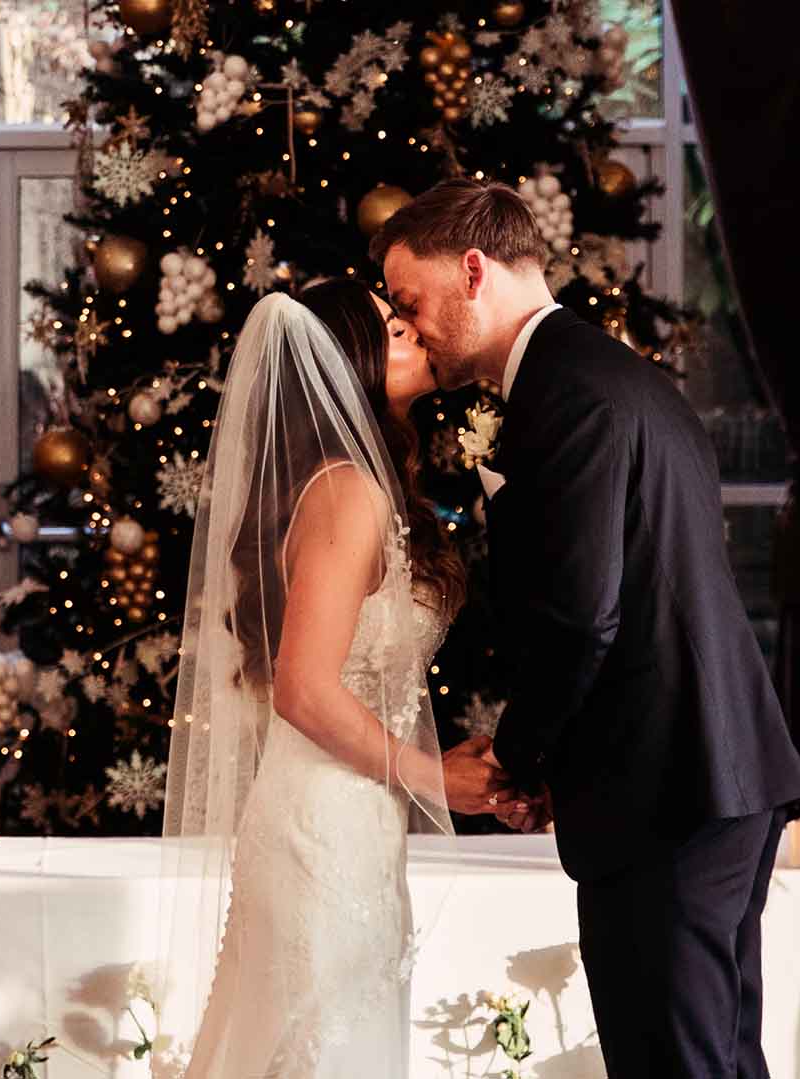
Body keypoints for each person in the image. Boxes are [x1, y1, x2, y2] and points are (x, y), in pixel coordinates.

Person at [374, 179, 800, 1079]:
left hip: (668, 791)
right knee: (720, 1059)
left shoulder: (566, 393)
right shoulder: (603, 374)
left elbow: (582, 616)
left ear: (472, 270)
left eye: (411, 301)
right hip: (709, 773)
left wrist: (520, 758)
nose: (409, 325)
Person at [158, 284, 514, 1078]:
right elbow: (305, 690)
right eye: (394, 329)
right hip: (319, 824)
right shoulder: (346, 492)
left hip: (354, 816)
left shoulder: (360, 483)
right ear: (348, 361)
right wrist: (434, 777)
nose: (419, 333)